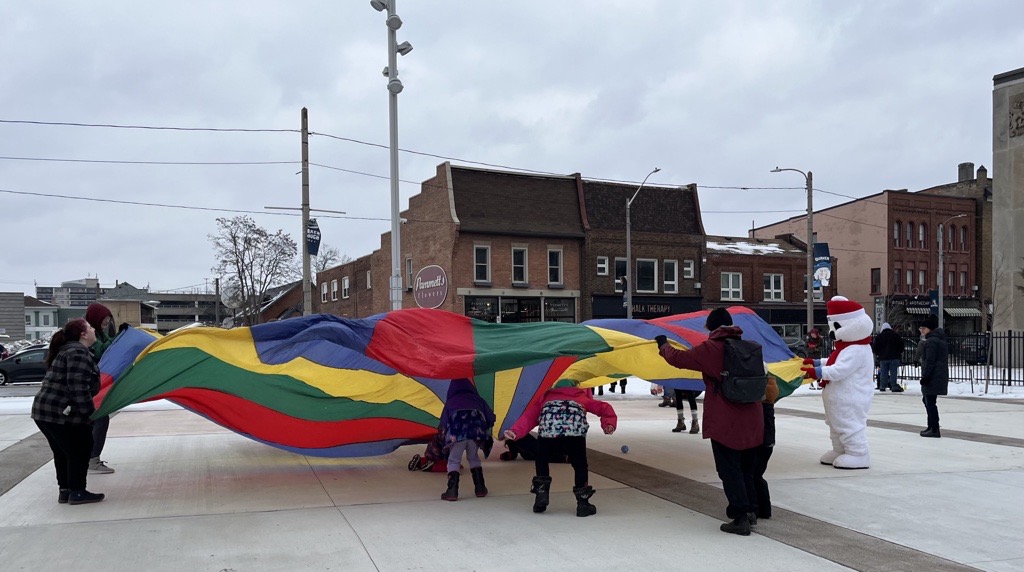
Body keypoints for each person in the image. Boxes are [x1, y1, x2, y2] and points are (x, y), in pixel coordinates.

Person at [655, 307, 764, 535]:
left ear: (711, 327)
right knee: (747, 467)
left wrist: (663, 345)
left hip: (726, 420)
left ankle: (740, 517)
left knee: (729, 469)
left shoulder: (712, 348)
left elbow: (679, 359)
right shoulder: (750, 348)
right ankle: (752, 510)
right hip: (753, 418)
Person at [503, 379, 617, 517]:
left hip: (548, 434)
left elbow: (529, 417)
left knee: (542, 460)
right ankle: (583, 504)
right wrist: (608, 424)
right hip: (574, 435)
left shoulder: (546, 399)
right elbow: (604, 408)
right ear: (575, 387)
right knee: (580, 465)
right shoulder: (580, 397)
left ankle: (541, 496)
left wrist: (515, 432)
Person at [31, 318, 105, 505]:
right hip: (58, 412)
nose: (93, 329)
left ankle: (66, 490)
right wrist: (90, 414)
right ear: (83, 334)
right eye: (90, 327)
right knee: (80, 449)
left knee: (64, 452)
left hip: (46, 411)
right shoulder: (78, 352)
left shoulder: (68, 350)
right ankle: (78, 492)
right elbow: (77, 386)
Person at [800, 296, 875, 470]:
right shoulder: (847, 348)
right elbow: (835, 362)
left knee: (849, 425)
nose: (833, 332)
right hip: (839, 397)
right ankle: (840, 449)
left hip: (851, 397)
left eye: (837, 327)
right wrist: (817, 363)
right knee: (836, 424)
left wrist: (817, 372)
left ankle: (858, 452)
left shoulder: (857, 349)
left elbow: (840, 370)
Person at [438, 379, 496, 501]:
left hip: (457, 436)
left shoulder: (451, 402)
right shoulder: (479, 400)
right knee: (473, 457)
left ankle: (452, 491)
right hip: (476, 436)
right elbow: (491, 417)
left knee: (454, 460)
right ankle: (480, 488)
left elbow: (443, 422)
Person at [84, 303, 120, 474]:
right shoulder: (89, 334)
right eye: (104, 318)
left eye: (108, 318)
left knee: (96, 421)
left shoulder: (99, 333)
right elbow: (104, 351)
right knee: (99, 419)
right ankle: (92, 460)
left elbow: (108, 345)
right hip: (88, 387)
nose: (107, 321)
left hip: (93, 385)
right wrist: (122, 339)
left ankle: (89, 459)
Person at [747, 374, 779, 522]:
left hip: (760, 442)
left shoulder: (760, 406)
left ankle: (755, 508)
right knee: (757, 475)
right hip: (768, 442)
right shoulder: (769, 404)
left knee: (752, 475)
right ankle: (764, 509)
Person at [917, 315, 949, 438]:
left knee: (929, 401)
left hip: (933, 376)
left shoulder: (932, 342)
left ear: (929, 329)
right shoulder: (938, 339)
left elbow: (930, 361)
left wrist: (925, 376)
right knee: (928, 400)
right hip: (937, 375)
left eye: (923, 328)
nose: (921, 331)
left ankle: (934, 428)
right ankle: (931, 426)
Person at [872, 322, 905, 392]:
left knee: (883, 372)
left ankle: (882, 386)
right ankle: (893, 386)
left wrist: (879, 354)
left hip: (883, 358)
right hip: (894, 357)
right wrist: (899, 353)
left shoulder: (879, 337)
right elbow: (901, 345)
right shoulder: (896, 335)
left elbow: (874, 348)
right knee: (893, 372)